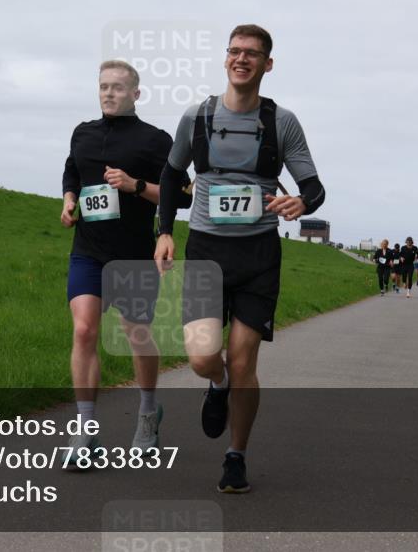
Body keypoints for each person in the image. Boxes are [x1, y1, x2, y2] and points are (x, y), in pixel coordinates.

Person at [153, 24, 325, 493]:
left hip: (258, 255)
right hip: (207, 250)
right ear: (226, 59)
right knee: (203, 357)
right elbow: (171, 176)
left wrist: (301, 204)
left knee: (245, 360)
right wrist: (164, 231)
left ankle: (236, 455)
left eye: (252, 53)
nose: (241, 59)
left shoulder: (281, 122)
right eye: (234, 51)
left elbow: (313, 185)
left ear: (268, 64)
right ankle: (217, 383)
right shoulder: (198, 116)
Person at [61, 59, 190, 466]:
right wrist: (68, 202)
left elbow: (182, 196)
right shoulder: (83, 133)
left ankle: (148, 414)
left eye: (117, 87)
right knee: (84, 331)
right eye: (103, 86)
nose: (108, 93)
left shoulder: (155, 140)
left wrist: (135, 186)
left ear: (136, 93)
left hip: (134, 254)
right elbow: (71, 173)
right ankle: (85, 433)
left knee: (136, 334)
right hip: (88, 250)